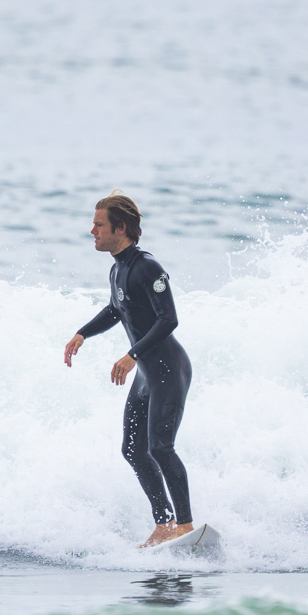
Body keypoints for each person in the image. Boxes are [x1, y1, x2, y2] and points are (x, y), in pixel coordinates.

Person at [62, 191, 195, 548]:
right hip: (146, 375)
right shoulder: (117, 268)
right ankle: (164, 524)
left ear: (120, 228)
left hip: (168, 368)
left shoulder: (148, 267)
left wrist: (132, 354)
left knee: (161, 447)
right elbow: (115, 310)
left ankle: (185, 525)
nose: (92, 231)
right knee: (133, 449)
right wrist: (82, 333)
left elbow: (170, 319)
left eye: (99, 224)